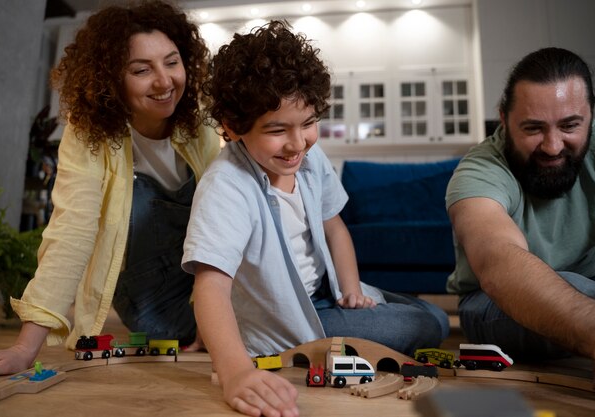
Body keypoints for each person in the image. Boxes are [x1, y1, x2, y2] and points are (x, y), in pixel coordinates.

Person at [182, 20, 449, 417]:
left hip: (326, 294)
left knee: (434, 315)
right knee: (429, 326)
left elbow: (334, 226)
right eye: (277, 130)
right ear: (233, 127)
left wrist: (352, 288)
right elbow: (210, 285)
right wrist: (235, 371)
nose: (296, 144)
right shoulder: (226, 186)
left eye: (308, 124)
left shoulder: (310, 159)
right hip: (289, 320)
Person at [0, 0, 219, 378]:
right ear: (111, 79)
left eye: (172, 62)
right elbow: (73, 230)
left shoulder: (199, 120)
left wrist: (215, 309)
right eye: (141, 70)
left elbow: (220, 224)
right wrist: (25, 348)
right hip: (151, 298)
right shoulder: (90, 133)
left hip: (208, 281)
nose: (165, 81)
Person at [446, 47, 595, 391]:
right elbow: (498, 262)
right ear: (503, 119)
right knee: (578, 290)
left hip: (593, 282)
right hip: (494, 301)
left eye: (570, 126)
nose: (552, 146)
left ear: (591, 113)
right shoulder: (478, 170)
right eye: (533, 128)